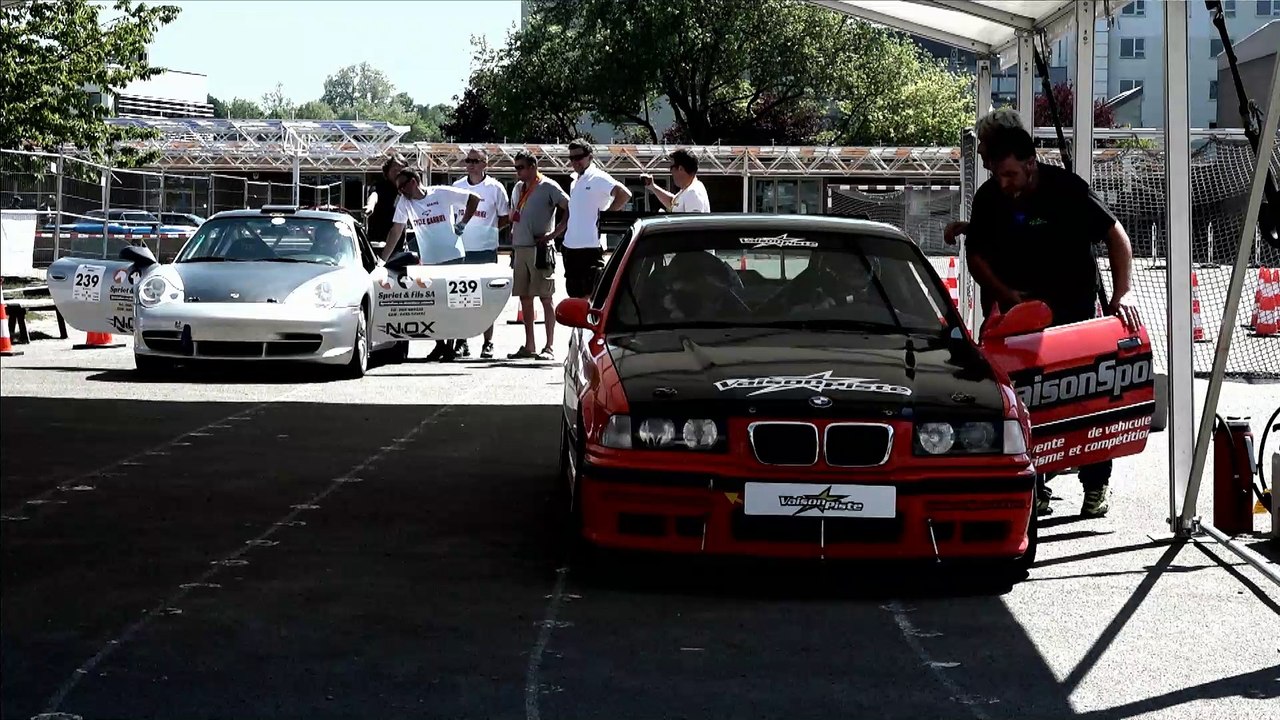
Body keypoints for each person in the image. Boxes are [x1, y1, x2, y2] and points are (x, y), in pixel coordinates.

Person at [965, 124, 1141, 519]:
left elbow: (1116, 236)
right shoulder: (990, 197)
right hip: (1019, 321)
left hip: (1074, 319)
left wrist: (1122, 292)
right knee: (1028, 403)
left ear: (1031, 164)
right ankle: (1036, 485)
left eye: (1011, 173)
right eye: (998, 174)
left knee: (1085, 399)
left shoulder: (1067, 190)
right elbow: (975, 255)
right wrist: (1005, 295)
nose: (1004, 182)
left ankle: (1095, 486)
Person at [384, 166, 481, 362]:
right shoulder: (405, 202)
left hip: (452, 255)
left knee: (455, 303)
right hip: (429, 260)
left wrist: (462, 223)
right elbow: (396, 230)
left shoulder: (440, 193)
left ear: (414, 182)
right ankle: (441, 344)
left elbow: (473, 198)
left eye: (403, 186)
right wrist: (382, 260)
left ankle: (458, 343)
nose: (401, 191)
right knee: (435, 304)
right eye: (398, 188)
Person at [507, 150, 570, 360]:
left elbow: (569, 207)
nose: (518, 172)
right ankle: (529, 345)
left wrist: (554, 234)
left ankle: (549, 347)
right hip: (520, 248)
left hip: (540, 249)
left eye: (521, 167)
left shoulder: (548, 186)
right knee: (525, 298)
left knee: (545, 297)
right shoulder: (518, 188)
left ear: (533, 167)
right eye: (516, 168)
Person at [452, 147, 511, 359]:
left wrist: (491, 230)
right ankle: (462, 341)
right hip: (462, 250)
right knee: (461, 298)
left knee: (486, 298)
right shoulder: (457, 187)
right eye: (468, 161)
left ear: (485, 164)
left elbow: (505, 217)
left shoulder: (495, 188)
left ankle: (488, 342)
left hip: (486, 250)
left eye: (476, 161)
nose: (471, 165)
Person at [943, 107, 1026, 246]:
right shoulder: (986, 195)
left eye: (983, 141)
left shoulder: (988, 195)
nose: (979, 149)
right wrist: (973, 229)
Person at [563, 139, 631, 299]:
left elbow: (624, 194)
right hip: (570, 247)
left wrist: (605, 218)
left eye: (579, 157)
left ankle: (589, 323)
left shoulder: (598, 177)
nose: (575, 161)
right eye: (571, 158)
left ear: (590, 157)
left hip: (591, 246)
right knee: (574, 294)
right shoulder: (575, 181)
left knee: (591, 295)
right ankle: (579, 324)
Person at [639, 148, 710, 213]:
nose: (671, 172)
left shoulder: (693, 193)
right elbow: (672, 203)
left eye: (671, 167)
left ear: (680, 169)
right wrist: (653, 187)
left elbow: (693, 225)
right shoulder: (688, 189)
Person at [366, 153, 409, 256]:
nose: (398, 173)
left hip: (398, 247)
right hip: (377, 244)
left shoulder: (406, 190)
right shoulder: (380, 186)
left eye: (401, 170)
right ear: (387, 172)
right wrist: (369, 206)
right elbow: (374, 195)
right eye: (395, 170)